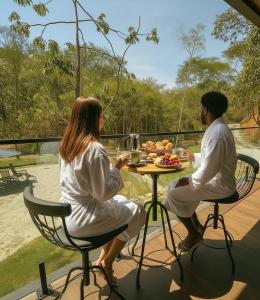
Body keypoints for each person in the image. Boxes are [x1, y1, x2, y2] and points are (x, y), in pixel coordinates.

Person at [59, 96, 146, 285]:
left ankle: (100, 259)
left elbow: (91, 187)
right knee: (138, 211)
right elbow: (103, 194)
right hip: (85, 220)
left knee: (122, 201)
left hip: (67, 216)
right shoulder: (95, 149)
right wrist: (117, 167)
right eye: (101, 114)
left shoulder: (67, 146)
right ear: (95, 118)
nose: (103, 118)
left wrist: (113, 169)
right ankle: (107, 262)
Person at [165, 91, 237, 251]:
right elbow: (210, 158)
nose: (201, 111)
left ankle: (193, 233)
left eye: (201, 108)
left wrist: (187, 181)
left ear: (206, 110)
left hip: (222, 185)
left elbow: (208, 170)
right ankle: (197, 226)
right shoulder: (217, 128)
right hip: (215, 179)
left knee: (173, 193)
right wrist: (191, 155)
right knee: (171, 186)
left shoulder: (218, 133)